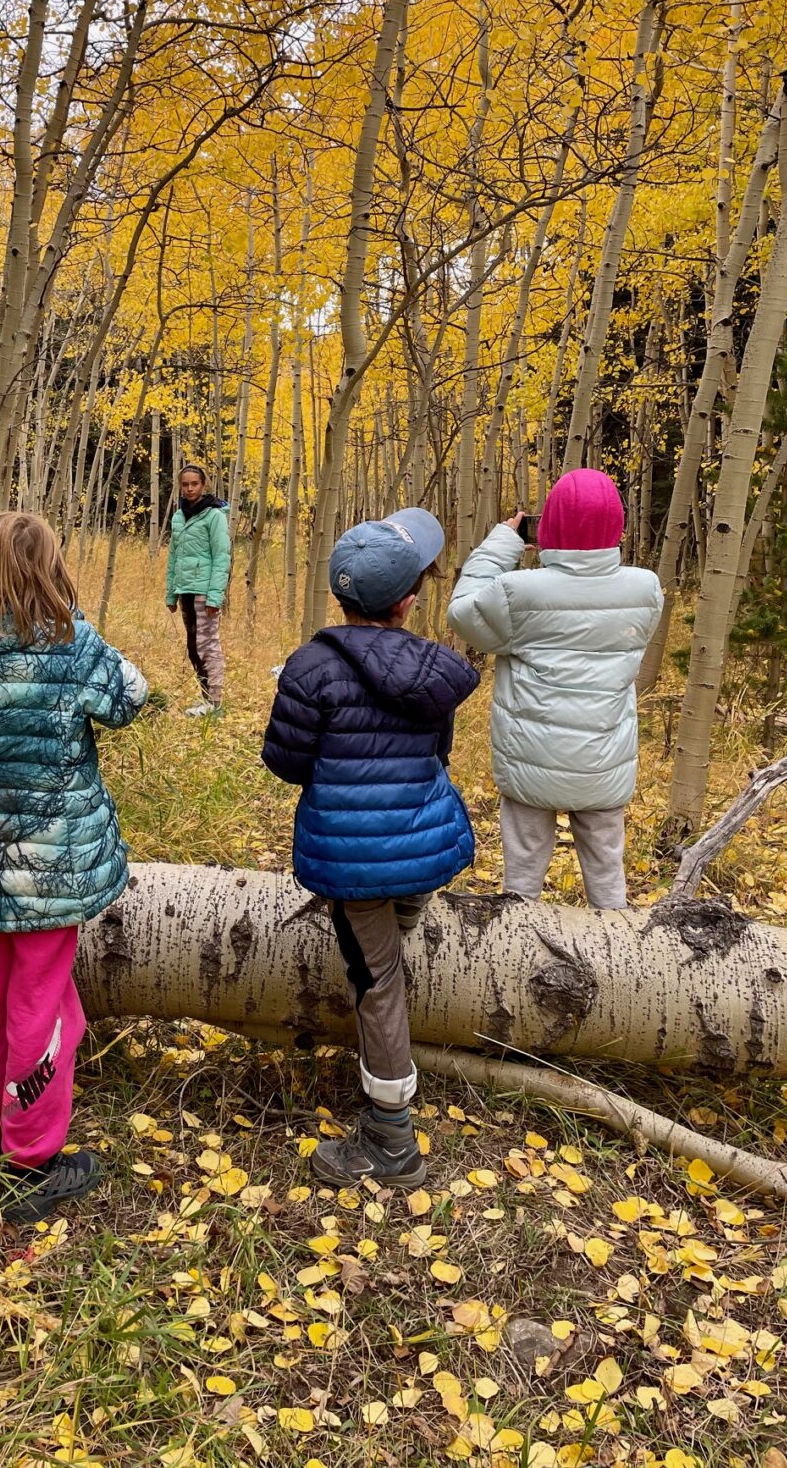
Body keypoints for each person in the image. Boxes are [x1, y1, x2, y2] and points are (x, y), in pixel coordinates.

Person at [0, 511, 148, 1222]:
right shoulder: (68, 644)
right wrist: (73, 616)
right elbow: (132, 695)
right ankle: (32, 1156)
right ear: (49, 567)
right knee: (40, 1006)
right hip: (51, 871)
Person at [262, 509, 480, 1187]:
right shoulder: (435, 668)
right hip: (423, 844)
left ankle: (391, 1140)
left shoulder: (309, 666)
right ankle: (397, 933)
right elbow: (438, 753)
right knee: (390, 937)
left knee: (377, 982)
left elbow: (286, 760)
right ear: (408, 598)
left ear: (340, 596)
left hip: (354, 858)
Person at [446, 468, 663, 912]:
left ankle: (516, 948)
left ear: (548, 530)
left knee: (521, 880)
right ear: (616, 526)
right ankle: (622, 958)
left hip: (531, 763)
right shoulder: (645, 589)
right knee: (608, 875)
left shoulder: (516, 593)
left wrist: (501, 545)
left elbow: (462, 612)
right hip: (603, 764)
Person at [166, 464, 231, 715]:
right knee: (193, 646)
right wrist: (171, 593)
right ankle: (205, 700)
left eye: (195, 483)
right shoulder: (179, 516)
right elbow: (173, 557)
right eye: (185, 484)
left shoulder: (214, 516)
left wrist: (215, 596)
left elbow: (222, 557)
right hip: (186, 590)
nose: (190, 488)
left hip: (205, 593)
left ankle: (215, 703)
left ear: (203, 485)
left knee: (207, 645)